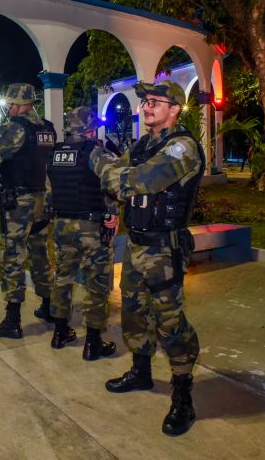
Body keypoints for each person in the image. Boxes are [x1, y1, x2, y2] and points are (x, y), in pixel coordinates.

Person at [90, 81, 204, 436]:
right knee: (134, 312)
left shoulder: (182, 147)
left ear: (175, 109)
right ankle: (141, 372)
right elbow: (117, 183)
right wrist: (115, 184)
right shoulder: (143, 145)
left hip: (164, 249)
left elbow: (138, 181)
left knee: (169, 322)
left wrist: (104, 165)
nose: (147, 106)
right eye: (145, 101)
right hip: (137, 246)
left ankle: (183, 395)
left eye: (156, 101)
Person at [0, 83, 56, 339]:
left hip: (19, 202)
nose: (9, 109)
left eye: (11, 104)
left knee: (12, 256)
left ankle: (12, 320)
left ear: (18, 104)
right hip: (43, 201)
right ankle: (49, 307)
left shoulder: (13, 127)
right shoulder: (47, 128)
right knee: (40, 253)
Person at [47, 107, 119, 360]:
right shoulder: (95, 152)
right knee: (96, 284)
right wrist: (113, 211)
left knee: (62, 279)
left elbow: (50, 191)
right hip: (90, 227)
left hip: (61, 226)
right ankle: (93, 343)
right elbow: (113, 184)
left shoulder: (55, 153)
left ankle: (59, 333)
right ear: (90, 128)